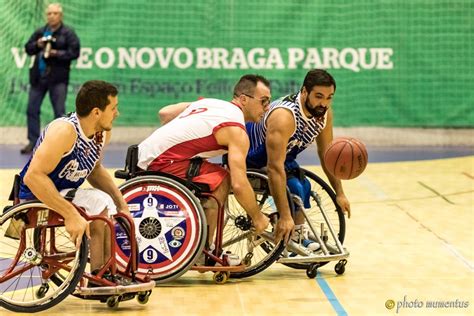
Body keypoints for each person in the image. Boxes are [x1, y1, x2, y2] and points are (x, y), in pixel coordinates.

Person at [138, 74, 272, 255]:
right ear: (243, 99)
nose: (267, 107)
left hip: (142, 154)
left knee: (207, 169)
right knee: (222, 178)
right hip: (159, 162)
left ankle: (199, 226)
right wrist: (257, 217)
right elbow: (239, 184)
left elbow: (165, 113)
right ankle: (204, 251)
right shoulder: (237, 131)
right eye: (263, 101)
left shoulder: (210, 103)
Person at [18, 80, 129, 274]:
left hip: (64, 192)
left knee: (105, 203)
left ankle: (105, 273)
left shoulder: (101, 134)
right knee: (97, 202)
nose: (117, 114)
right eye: (113, 108)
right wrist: (70, 214)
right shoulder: (65, 131)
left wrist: (122, 204)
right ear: (96, 112)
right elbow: (33, 177)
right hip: (36, 195)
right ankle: (98, 274)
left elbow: (94, 170)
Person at [245, 69, 351, 247]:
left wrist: (340, 193)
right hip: (250, 158)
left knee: (304, 184)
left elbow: (327, 155)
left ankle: (298, 232)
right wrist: (285, 217)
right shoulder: (284, 117)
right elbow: (273, 168)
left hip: (281, 157)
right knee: (293, 187)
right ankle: (292, 231)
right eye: (318, 96)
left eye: (329, 97)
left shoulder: (324, 114)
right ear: (304, 92)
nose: (323, 103)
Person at [21, 3, 80, 154]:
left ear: (60, 15)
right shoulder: (40, 32)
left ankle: (60, 144)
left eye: (55, 13)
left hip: (58, 79)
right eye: (49, 14)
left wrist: (56, 53)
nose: (51, 16)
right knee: (32, 110)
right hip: (39, 78)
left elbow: (75, 52)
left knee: (59, 113)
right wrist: (37, 44)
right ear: (46, 15)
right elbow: (28, 48)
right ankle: (33, 142)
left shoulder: (68, 33)